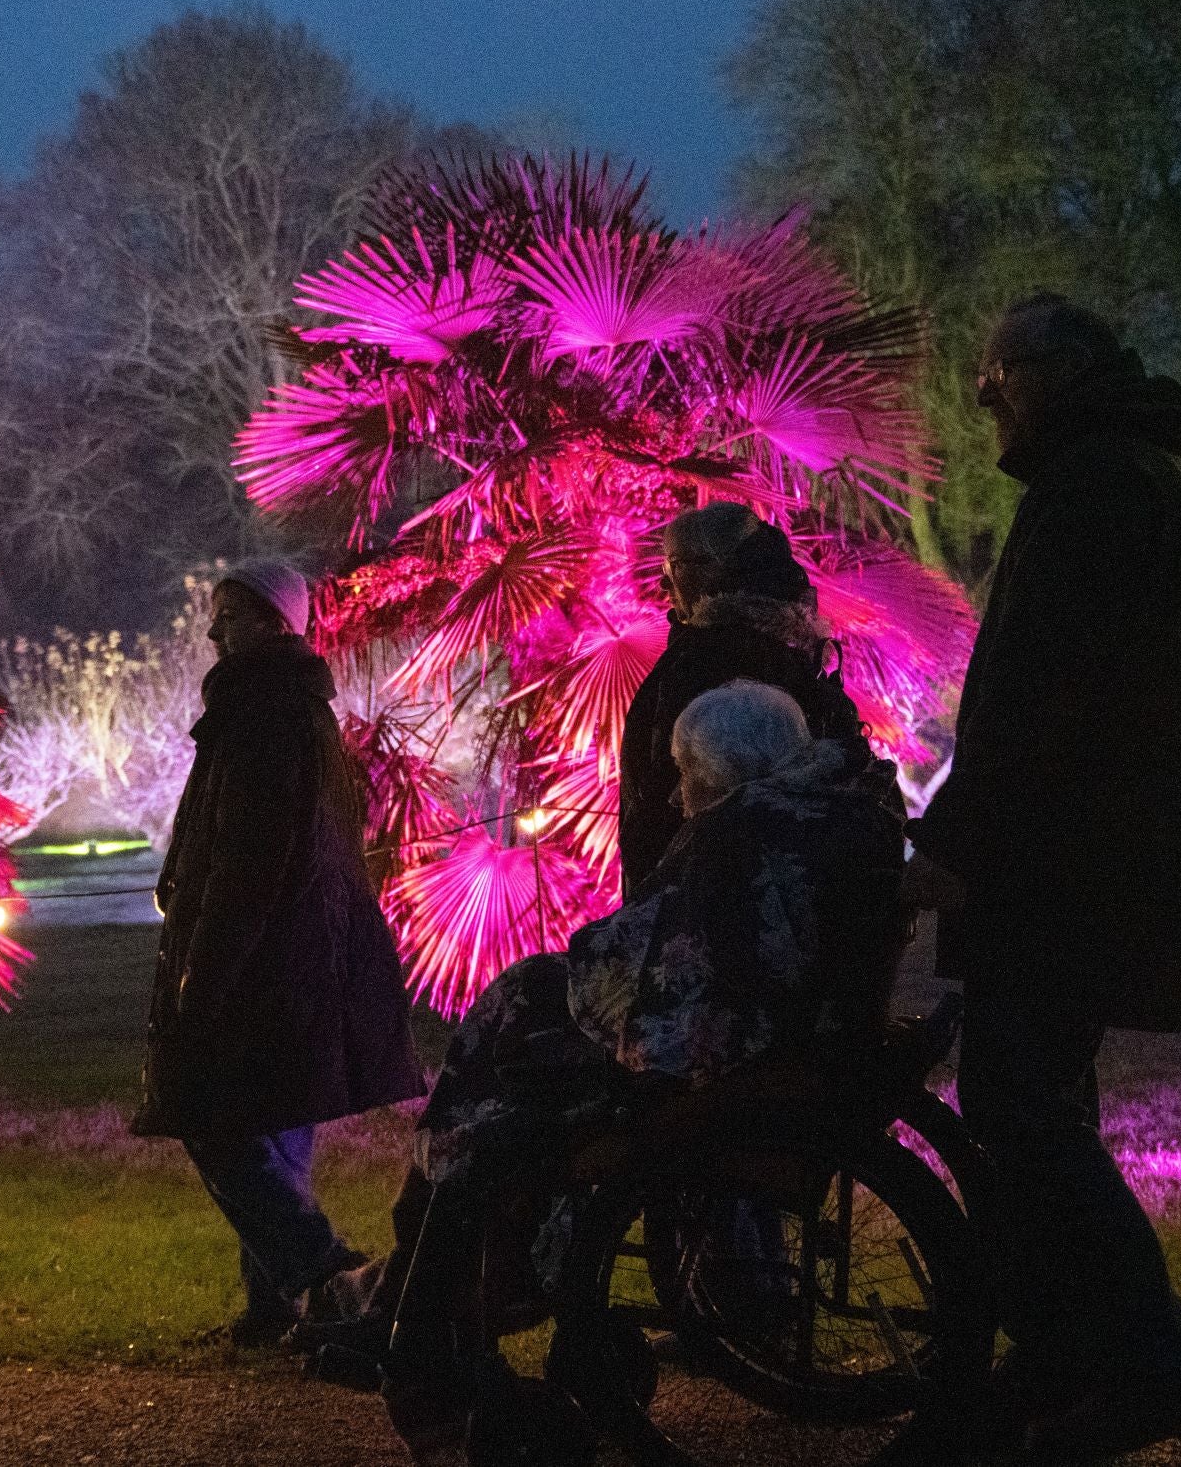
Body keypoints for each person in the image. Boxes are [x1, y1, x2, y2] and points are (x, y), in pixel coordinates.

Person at [321, 683, 903, 1464]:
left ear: (723, 771)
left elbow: (665, 974)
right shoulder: (833, 811)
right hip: (790, 1050)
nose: (675, 791)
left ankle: (419, 1330)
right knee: (513, 1018)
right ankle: (406, 1290)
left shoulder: (738, 835)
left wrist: (580, 975)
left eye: (684, 771)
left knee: (489, 1116)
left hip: (707, 1068)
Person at [882, 294, 1181, 1465]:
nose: (985, 394)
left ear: (1064, 370)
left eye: (1000, 372)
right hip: (1076, 858)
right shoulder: (1112, 478)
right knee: (1026, 1114)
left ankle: (1150, 1366)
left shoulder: (1096, 490)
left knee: (1027, 1118)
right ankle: (1059, 1359)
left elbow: (1046, 696)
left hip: (1066, 866)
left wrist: (956, 840)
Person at [133, 561, 426, 1349]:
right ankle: (278, 1307)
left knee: (213, 1113)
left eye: (226, 615)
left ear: (269, 620)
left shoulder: (262, 713)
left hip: (272, 961)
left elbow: (248, 859)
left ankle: (328, 1277)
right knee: (269, 1119)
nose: (211, 631)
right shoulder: (287, 706)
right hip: (299, 959)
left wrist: (207, 971)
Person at [619, 503, 872, 892]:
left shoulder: (706, 660)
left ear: (711, 569)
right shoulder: (793, 647)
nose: (663, 585)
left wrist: (649, 897)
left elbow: (669, 802)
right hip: (789, 892)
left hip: (709, 898)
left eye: (673, 567)